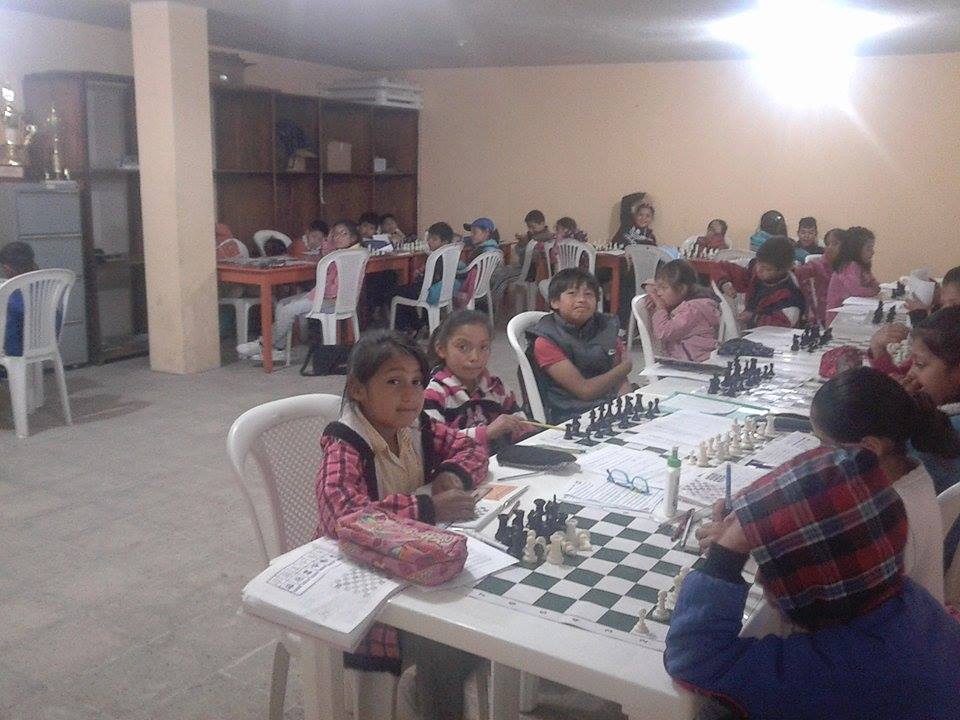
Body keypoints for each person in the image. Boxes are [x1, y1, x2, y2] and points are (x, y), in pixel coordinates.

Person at [667, 444, 960, 720]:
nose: (759, 576)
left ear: (811, 591)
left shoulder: (839, 670)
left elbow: (694, 659)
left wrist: (727, 551)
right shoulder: (908, 600)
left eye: (767, 564)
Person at [314, 330, 486, 720]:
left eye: (417, 382)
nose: (410, 394)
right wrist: (427, 507)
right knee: (449, 642)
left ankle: (425, 697)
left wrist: (452, 474)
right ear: (358, 389)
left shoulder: (416, 425)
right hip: (358, 581)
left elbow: (470, 446)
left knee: (478, 615)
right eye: (393, 382)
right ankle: (429, 700)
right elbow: (344, 516)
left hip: (410, 565)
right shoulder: (345, 443)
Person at [236, 220, 359, 361]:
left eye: (344, 234)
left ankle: (264, 343)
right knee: (282, 304)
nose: (338, 237)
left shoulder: (346, 256)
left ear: (353, 238)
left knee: (289, 309)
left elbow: (332, 290)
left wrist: (313, 296)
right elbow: (326, 250)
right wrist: (329, 238)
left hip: (331, 300)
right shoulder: (342, 253)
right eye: (335, 234)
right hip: (322, 296)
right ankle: (278, 348)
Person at [526, 268, 632, 423]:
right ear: (555, 302)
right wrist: (625, 367)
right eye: (572, 294)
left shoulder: (606, 326)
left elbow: (620, 380)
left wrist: (626, 406)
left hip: (608, 407)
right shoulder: (546, 340)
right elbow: (585, 390)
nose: (582, 299)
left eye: (588, 294)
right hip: (572, 415)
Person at [424, 310, 528, 451]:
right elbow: (433, 442)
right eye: (463, 347)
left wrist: (522, 426)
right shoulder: (433, 393)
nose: (475, 357)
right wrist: (486, 433)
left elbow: (519, 419)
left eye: (483, 347)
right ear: (441, 349)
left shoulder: (496, 388)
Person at [867, 266, 960, 378]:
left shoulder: (946, 344)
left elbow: (896, 382)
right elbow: (900, 377)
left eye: (954, 305)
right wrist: (877, 349)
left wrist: (920, 323)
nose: (943, 310)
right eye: (942, 303)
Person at [717, 236, 805, 328]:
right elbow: (719, 266)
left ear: (783, 270)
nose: (759, 270)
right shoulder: (754, 266)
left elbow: (784, 324)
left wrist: (754, 318)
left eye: (768, 269)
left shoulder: (792, 295)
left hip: (772, 334)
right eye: (759, 263)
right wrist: (724, 282)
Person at [393, 221, 464, 335]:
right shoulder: (451, 253)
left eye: (434, 239)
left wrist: (420, 273)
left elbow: (429, 280)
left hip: (430, 292)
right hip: (444, 291)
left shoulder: (436, 256)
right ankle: (421, 323)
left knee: (397, 292)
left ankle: (408, 327)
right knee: (409, 290)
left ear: (444, 242)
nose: (429, 241)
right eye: (429, 238)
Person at [644, 259, 720, 362]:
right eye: (658, 289)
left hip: (694, 363)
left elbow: (663, 332)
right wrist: (651, 290)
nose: (659, 293)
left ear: (681, 289)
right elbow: (652, 283)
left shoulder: (692, 311)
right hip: (688, 358)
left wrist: (660, 308)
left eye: (664, 288)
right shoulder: (695, 299)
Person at [825, 225, 880, 322]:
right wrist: (874, 290)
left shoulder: (862, 265)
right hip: (838, 318)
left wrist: (875, 287)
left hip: (852, 313)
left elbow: (873, 282)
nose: (873, 252)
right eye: (869, 248)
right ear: (856, 249)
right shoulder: (848, 266)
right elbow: (857, 291)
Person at [793, 226, 843, 325]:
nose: (830, 248)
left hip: (844, 313)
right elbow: (797, 272)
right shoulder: (816, 266)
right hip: (823, 315)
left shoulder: (848, 267)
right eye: (827, 244)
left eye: (835, 244)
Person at [1, 241, 38, 357]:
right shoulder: (46, 286)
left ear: (7, 269)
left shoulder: (10, 299)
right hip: (45, 345)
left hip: (14, 352)